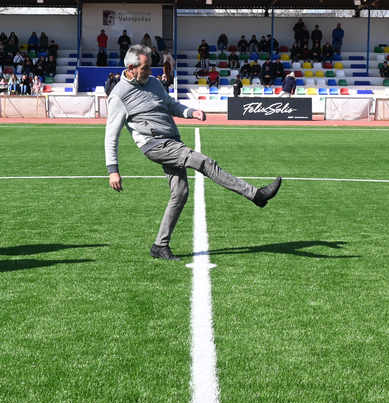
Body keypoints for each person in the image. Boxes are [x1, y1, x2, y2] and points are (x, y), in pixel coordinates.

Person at [104, 45, 282, 260]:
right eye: (146, 67)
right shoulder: (118, 96)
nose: (150, 71)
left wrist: (191, 112)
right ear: (131, 68)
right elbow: (111, 135)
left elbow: (171, 105)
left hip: (172, 140)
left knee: (180, 194)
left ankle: (160, 246)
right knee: (205, 162)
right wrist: (113, 170)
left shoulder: (152, 83)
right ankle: (256, 194)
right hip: (154, 145)